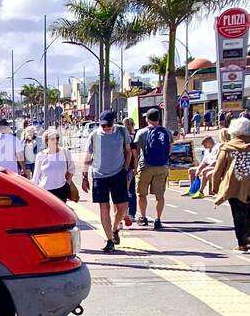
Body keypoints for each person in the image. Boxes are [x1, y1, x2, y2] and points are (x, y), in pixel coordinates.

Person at [81, 109, 134, 252]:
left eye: (108, 125)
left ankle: (115, 227)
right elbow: (87, 156)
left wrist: (125, 168)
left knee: (122, 207)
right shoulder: (94, 135)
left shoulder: (122, 132)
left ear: (113, 123)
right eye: (103, 125)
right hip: (99, 175)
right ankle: (109, 239)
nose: (106, 128)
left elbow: (128, 151)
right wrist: (84, 176)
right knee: (104, 207)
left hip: (118, 173)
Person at [206, 115, 250, 252]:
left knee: (238, 215)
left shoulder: (227, 148)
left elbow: (218, 170)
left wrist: (215, 188)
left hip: (234, 187)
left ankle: (242, 244)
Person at [133, 107, 173, 229]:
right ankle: (158, 219)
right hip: (162, 167)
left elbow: (136, 152)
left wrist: (135, 168)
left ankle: (143, 217)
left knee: (141, 194)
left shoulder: (141, 132)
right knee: (159, 196)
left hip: (145, 167)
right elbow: (170, 150)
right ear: (158, 119)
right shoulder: (166, 132)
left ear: (147, 119)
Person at [31, 127, 74, 200]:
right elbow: (36, 176)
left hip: (61, 190)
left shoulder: (65, 152)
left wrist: (67, 184)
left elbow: (71, 169)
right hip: (45, 191)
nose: (56, 141)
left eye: (57, 138)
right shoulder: (41, 156)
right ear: (47, 141)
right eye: (52, 139)